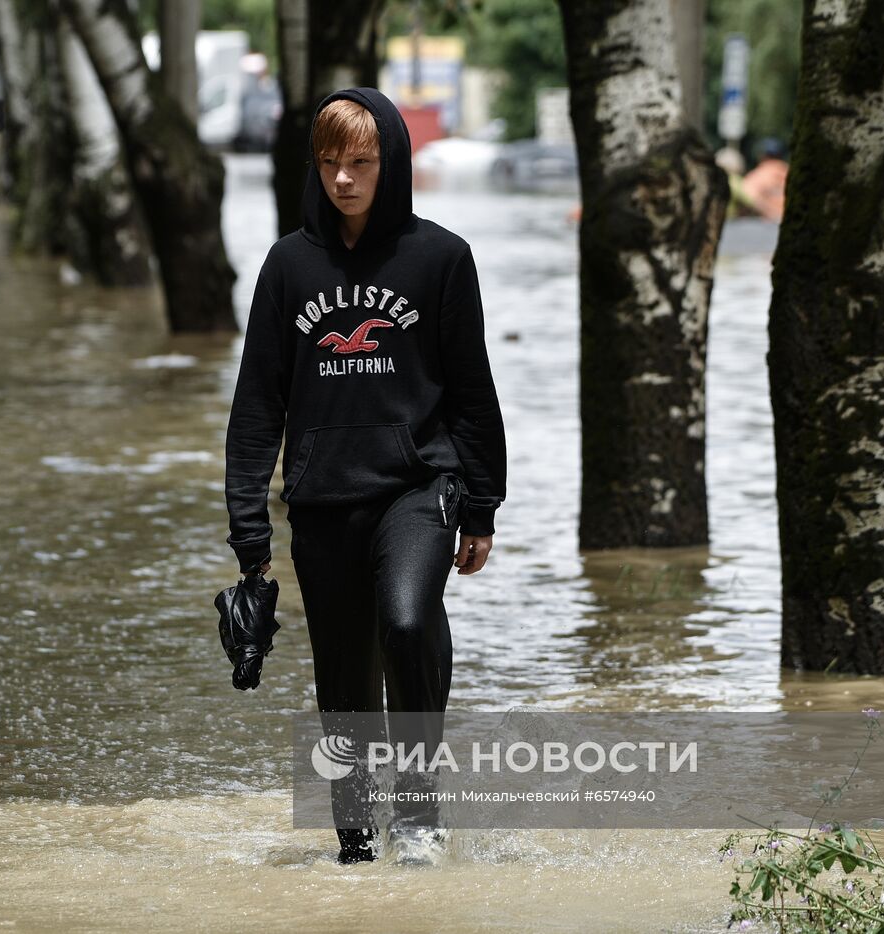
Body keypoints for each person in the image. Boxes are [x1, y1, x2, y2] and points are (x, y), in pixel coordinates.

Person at [223, 87, 508, 865]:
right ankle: (354, 842)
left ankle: (418, 812)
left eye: (361, 162)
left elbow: (473, 390)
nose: (344, 179)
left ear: (391, 161)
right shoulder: (288, 266)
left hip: (420, 487)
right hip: (322, 498)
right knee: (343, 681)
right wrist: (250, 534)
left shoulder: (442, 259)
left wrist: (482, 504)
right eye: (329, 163)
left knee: (408, 621)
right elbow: (256, 407)